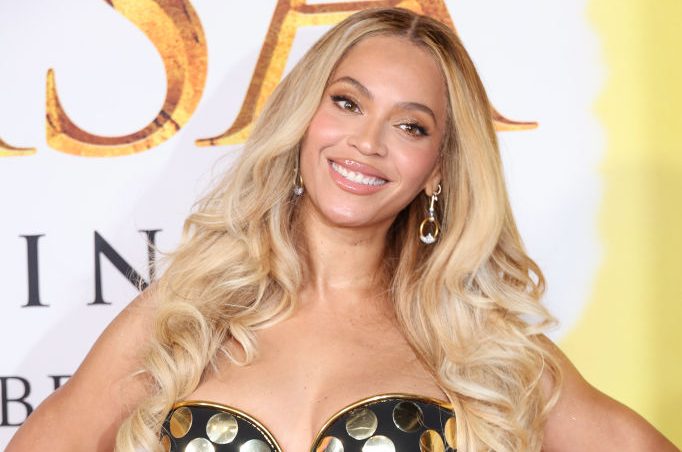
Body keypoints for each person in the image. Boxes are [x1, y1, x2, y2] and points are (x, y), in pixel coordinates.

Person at [7, 7, 677, 452]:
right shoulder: (184, 318)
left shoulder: (478, 344)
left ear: (437, 170)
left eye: (410, 126)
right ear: (305, 117)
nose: (368, 142)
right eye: (348, 103)